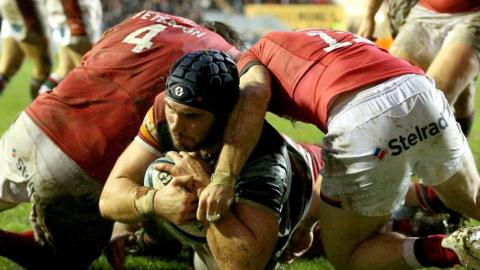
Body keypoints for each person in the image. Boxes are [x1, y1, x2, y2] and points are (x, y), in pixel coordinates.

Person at [197, 28, 480, 270]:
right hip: (419, 90)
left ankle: (454, 247)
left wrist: (223, 178)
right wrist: (306, 223)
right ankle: (435, 200)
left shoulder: (251, 58)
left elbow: (255, 94)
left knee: (351, 254)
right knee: (471, 198)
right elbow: (332, 166)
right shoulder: (305, 39)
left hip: (362, 117)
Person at [0, 10, 242, 269]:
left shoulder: (147, 16)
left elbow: (91, 58)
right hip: (84, 161)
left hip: (36, 120)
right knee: (61, 258)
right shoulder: (224, 64)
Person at [99, 50, 313, 270]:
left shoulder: (264, 155)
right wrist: (156, 202)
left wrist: (205, 187)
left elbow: (244, 265)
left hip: (307, 183)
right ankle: (158, 240)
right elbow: (108, 199)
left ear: (224, 116)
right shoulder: (164, 111)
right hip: (229, 199)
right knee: (158, 178)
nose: (175, 125)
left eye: (192, 117)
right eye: (172, 109)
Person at [358, 0, 480, 136]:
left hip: (473, 15)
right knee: (389, 90)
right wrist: (369, 16)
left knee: (431, 99)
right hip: (423, 12)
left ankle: (447, 155)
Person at [37, 0, 103, 94]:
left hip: (64, 24)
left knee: (64, 70)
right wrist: (77, 28)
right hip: (77, 26)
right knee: (90, 77)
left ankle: (40, 101)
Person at [0, 0, 52, 98]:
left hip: (14, 5)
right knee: (43, 67)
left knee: (7, 67)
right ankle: (37, 112)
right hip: (26, 5)